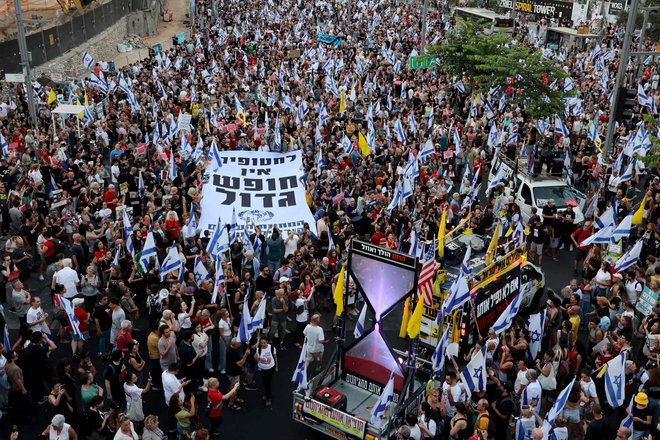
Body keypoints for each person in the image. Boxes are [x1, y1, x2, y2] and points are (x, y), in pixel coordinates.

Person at [256, 335, 278, 407]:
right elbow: (257, 360)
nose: (263, 344)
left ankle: (268, 397)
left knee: (267, 382)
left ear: (267, 342)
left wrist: (276, 366)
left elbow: (275, 357)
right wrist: (256, 358)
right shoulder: (258, 349)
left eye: (264, 343)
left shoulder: (271, 347)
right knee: (264, 382)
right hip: (262, 368)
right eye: (261, 343)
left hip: (270, 368)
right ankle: (266, 394)